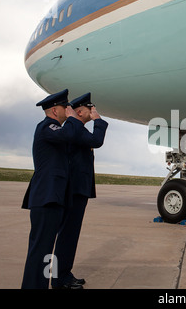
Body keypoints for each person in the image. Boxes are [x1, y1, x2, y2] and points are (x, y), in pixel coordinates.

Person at [21, 89, 83, 289]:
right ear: (55, 111)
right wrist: (75, 119)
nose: (69, 110)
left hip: (53, 199)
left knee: (47, 251)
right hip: (46, 199)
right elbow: (68, 134)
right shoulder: (48, 127)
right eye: (66, 107)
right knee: (40, 251)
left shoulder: (54, 128)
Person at [52, 93, 108, 289]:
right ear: (80, 111)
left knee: (70, 235)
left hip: (77, 189)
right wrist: (99, 121)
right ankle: (60, 279)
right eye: (90, 110)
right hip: (73, 190)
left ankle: (64, 275)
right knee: (67, 235)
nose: (92, 113)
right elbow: (97, 141)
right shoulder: (74, 128)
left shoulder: (76, 129)